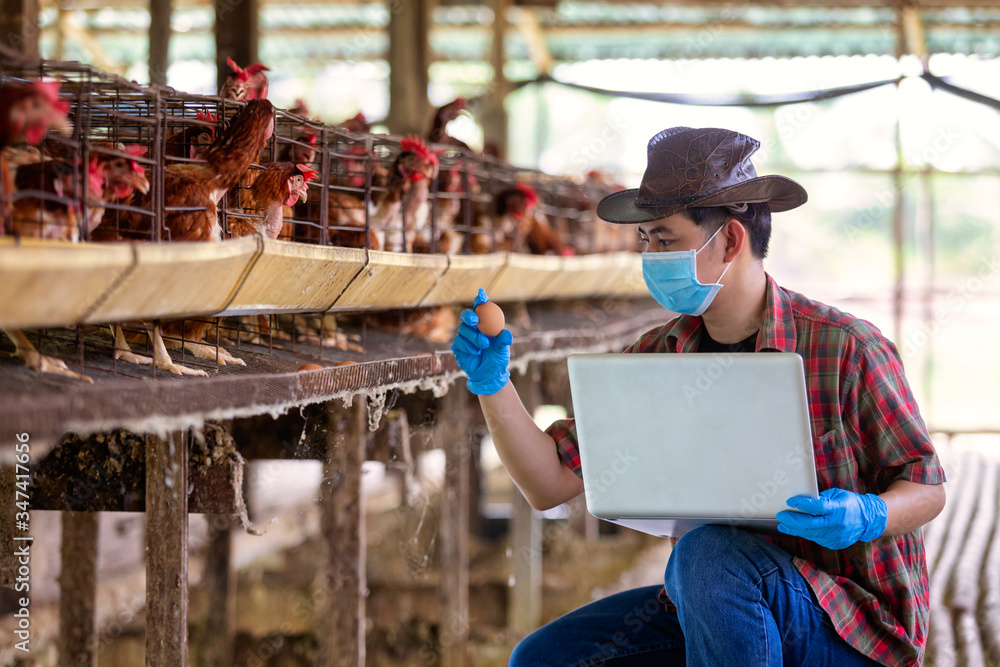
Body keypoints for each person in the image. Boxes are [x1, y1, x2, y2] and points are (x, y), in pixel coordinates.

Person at [450, 127, 947, 667]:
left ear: (730, 242)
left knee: (706, 555)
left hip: (845, 624)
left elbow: (926, 487)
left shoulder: (848, 348)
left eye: (664, 240)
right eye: (646, 242)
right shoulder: (657, 355)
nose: (650, 256)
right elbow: (548, 484)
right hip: (713, 599)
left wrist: (868, 514)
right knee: (546, 658)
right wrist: (492, 384)